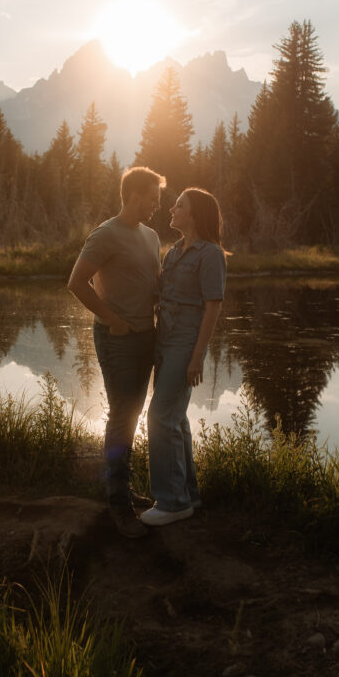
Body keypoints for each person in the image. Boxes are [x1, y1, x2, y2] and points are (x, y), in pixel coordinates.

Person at [68, 166, 166, 538]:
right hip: (117, 339)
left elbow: (150, 283)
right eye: (153, 199)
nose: (157, 206)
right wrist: (112, 320)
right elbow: (76, 282)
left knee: (135, 413)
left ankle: (123, 489)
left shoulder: (152, 235)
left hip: (146, 337)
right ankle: (118, 506)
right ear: (135, 195)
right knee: (122, 414)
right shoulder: (106, 234)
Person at [141, 188, 227, 527]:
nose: (171, 209)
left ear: (195, 214)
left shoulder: (212, 255)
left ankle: (172, 502)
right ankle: (188, 494)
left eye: (179, 205)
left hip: (185, 344)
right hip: (164, 340)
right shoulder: (174, 251)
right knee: (175, 418)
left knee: (160, 416)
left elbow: (213, 308)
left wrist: (197, 357)